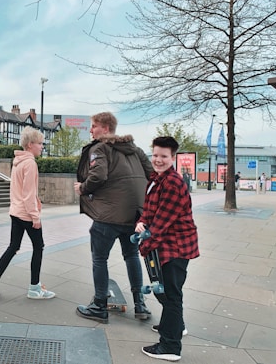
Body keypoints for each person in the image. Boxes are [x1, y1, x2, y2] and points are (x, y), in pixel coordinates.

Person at [73, 112, 153, 324]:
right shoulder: (135, 150)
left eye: (93, 126)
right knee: (132, 256)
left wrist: (82, 188)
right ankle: (140, 304)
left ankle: (99, 305)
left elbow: (98, 175)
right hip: (134, 216)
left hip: (108, 216)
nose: (91, 130)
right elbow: (152, 174)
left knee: (100, 258)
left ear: (105, 129)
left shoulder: (100, 148)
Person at [135, 136, 199, 361]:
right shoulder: (157, 178)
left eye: (163, 156)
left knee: (170, 295)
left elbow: (161, 223)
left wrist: (144, 245)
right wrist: (141, 222)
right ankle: (174, 326)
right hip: (165, 245)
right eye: (155, 155)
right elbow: (150, 211)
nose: (158, 160)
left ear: (173, 158)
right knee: (164, 290)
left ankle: (170, 346)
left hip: (175, 247)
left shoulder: (172, 182)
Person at [0, 126, 55, 300]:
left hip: (15, 212)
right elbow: (28, 194)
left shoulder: (17, 162)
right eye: (40, 144)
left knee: (13, 247)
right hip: (26, 214)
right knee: (39, 247)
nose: (42, 147)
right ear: (30, 145)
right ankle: (34, 288)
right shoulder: (30, 163)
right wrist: (35, 217)